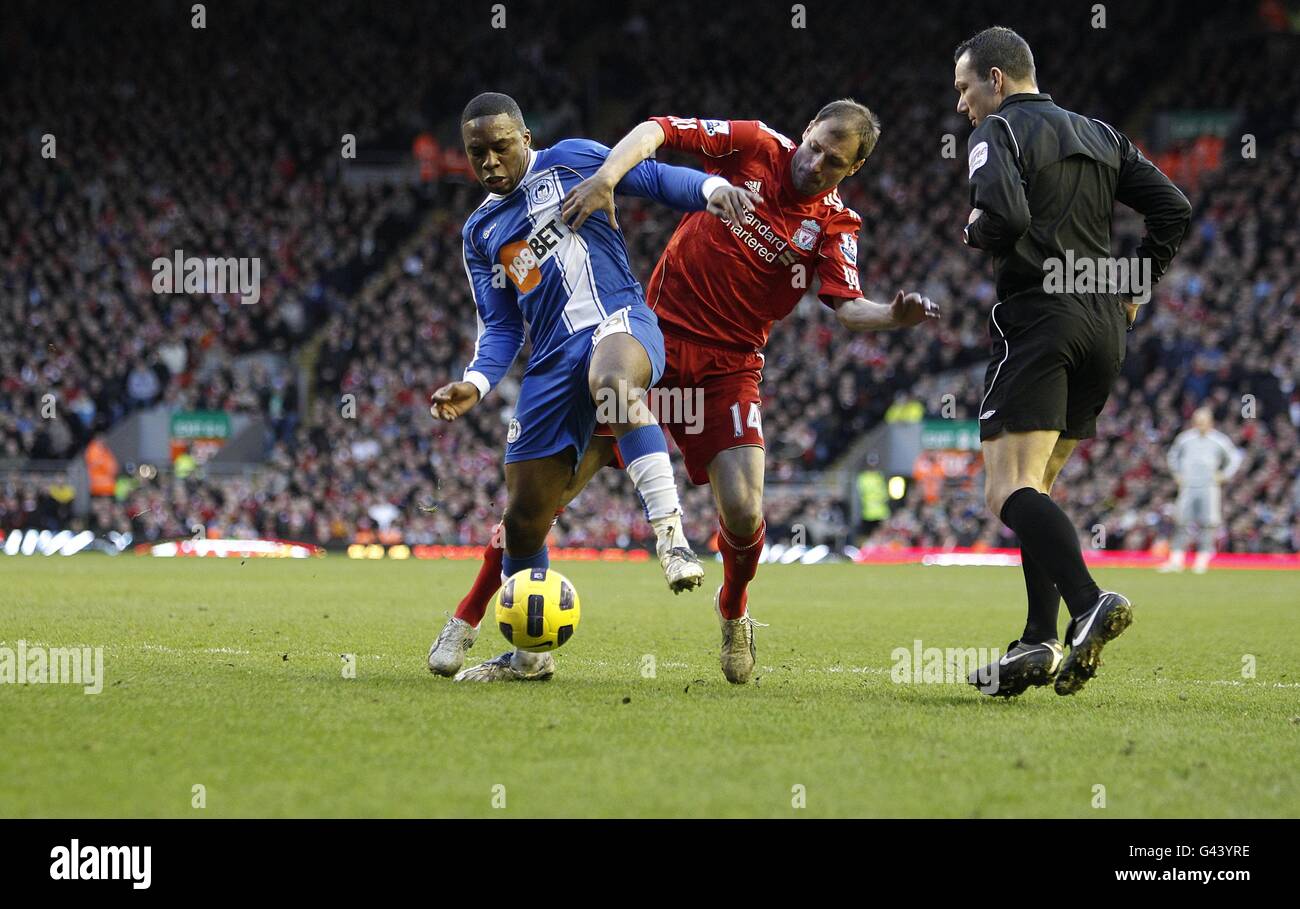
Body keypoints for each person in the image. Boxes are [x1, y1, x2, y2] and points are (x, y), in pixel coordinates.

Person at [436, 98, 937, 684]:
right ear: (806, 131)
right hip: (656, 337)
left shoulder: (833, 225)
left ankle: (734, 611)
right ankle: (474, 615)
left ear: (851, 171)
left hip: (729, 369)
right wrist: (610, 179)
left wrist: (892, 317)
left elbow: (850, 308)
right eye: (817, 145)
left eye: (834, 162)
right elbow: (658, 132)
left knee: (746, 512)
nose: (817, 162)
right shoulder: (756, 146)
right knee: (540, 499)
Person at [429, 92, 760, 682]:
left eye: (500, 146)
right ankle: (529, 658)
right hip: (552, 362)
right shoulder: (480, 232)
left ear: (526, 137)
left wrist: (714, 193)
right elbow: (501, 325)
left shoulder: (574, 160)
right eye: (476, 153)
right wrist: (476, 383)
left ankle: (671, 540)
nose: (489, 162)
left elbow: (655, 177)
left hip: (622, 322)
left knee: (612, 381)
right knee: (526, 516)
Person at [952, 27, 1192, 697]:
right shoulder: (1101, 133)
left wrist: (974, 228)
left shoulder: (997, 132)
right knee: (1038, 488)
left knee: (1007, 491)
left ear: (997, 80)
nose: (963, 104)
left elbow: (1000, 212)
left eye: (966, 88)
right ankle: (1036, 640)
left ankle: (1088, 604)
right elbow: (1174, 208)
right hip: (1104, 324)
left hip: (1040, 318)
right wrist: (1137, 282)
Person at [1159, 407, 1243, 574]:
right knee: (1181, 521)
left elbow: (1235, 458)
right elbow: (1172, 456)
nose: (1200, 425)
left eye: (1203, 421)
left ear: (1210, 422)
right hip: (1188, 486)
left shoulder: (1219, 440)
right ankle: (1176, 560)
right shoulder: (1185, 439)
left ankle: (1202, 559)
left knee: (1208, 523)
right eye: (1197, 421)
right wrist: (1176, 473)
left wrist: (1224, 475)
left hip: (1209, 487)